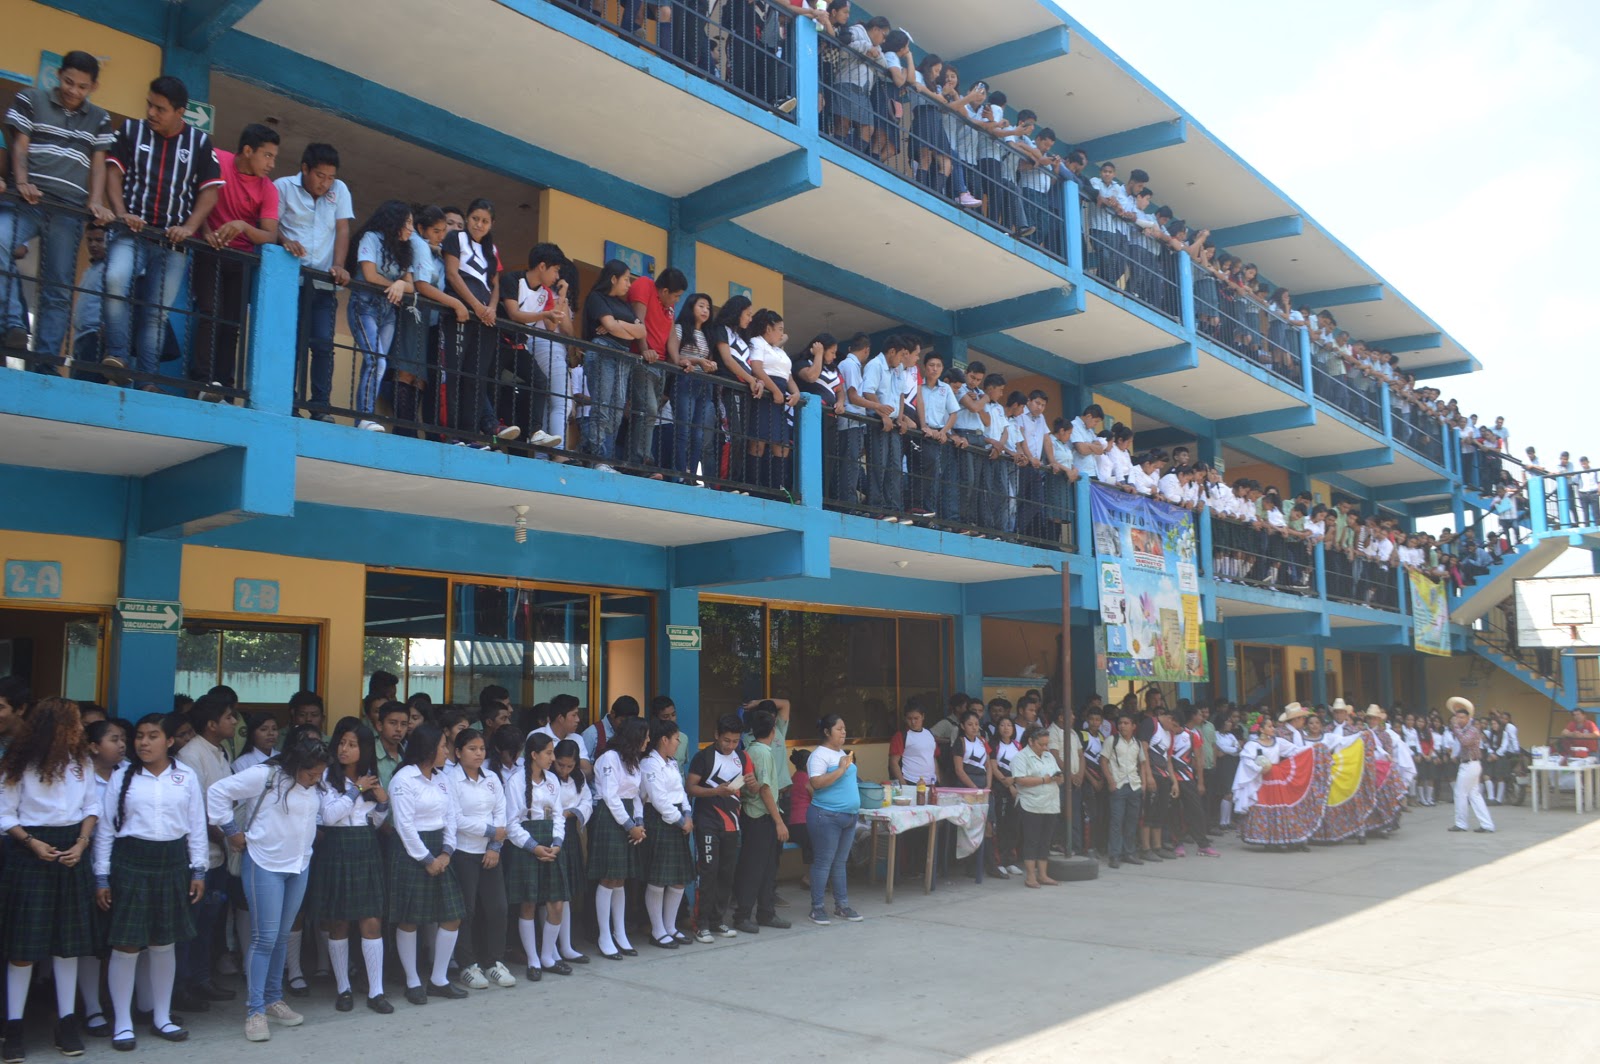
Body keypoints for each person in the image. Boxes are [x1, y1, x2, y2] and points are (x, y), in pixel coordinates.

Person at [92, 713, 208, 1050]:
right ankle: (123, 1022)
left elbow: (196, 826)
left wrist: (198, 870)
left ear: (169, 741)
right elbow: (106, 829)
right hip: (130, 863)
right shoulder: (122, 776)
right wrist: (102, 875)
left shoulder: (185, 776)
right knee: (126, 945)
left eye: (153, 736)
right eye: (140, 736)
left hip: (172, 863)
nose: (144, 742)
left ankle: (161, 1016)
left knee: (163, 943)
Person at [205, 736, 328, 1043]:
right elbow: (218, 791)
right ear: (296, 765)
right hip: (264, 864)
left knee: (282, 936)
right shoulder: (265, 775)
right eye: (311, 774)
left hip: (299, 865)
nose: (315, 779)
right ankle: (255, 1010)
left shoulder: (313, 781)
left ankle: (274, 999)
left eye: (319, 774)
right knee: (264, 939)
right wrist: (231, 832)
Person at [103, 76, 223, 380]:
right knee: (115, 280)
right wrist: (122, 214)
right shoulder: (131, 130)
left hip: (173, 244)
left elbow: (210, 193)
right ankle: (117, 357)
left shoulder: (199, 143)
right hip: (130, 233)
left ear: (180, 112)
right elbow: (113, 173)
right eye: (150, 105)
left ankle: (147, 378)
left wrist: (190, 227)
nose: (151, 113)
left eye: (160, 108)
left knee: (157, 312)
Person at [0, 698, 100, 1061]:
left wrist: (82, 843)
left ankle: (66, 1022)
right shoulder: (18, 762)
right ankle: (14, 1027)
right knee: (23, 947)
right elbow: (5, 813)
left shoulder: (81, 762)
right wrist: (31, 842)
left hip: (72, 848)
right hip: (30, 850)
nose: (80, 728)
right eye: (74, 722)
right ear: (57, 726)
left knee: (66, 944)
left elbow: (92, 807)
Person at [0, 51, 114, 363]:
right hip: (26, 200)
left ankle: (46, 363)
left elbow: (99, 164)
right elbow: (20, 145)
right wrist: (22, 181)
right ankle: (13, 323)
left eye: (82, 86)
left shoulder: (101, 118)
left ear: (94, 87)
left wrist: (95, 201)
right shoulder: (30, 99)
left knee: (58, 289)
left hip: (69, 209)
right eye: (68, 82)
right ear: (58, 75)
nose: (73, 90)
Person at [192, 123, 280, 400]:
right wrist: (206, 231)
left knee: (232, 324)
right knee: (208, 313)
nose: (272, 164)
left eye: (274, 157)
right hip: (208, 249)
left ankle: (224, 388)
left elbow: (270, 235)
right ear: (248, 150)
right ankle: (200, 383)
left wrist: (242, 226)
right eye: (267, 155)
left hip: (241, 259)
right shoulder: (217, 159)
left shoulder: (268, 189)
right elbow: (195, 196)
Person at [311, 718, 391, 1015]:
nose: (344, 749)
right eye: (342, 743)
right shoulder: (325, 777)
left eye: (352, 744)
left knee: (371, 920)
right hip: (336, 847)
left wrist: (383, 804)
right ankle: (343, 988)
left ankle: (376, 991)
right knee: (339, 921)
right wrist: (356, 789)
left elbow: (375, 822)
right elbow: (329, 816)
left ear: (364, 749)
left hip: (365, 847)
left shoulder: (370, 778)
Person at [386, 722, 468, 1005]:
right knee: (410, 918)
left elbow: (451, 817)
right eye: (443, 746)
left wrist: (446, 852)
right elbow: (404, 826)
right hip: (412, 852)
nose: (447, 751)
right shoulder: (403, 779)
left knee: (452, 915)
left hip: (440, 849)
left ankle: (439, 979)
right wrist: (427, 859)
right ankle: (412, 981)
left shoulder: (442, 778)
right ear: (428, 748)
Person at [275, 142, 352, 417]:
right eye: (320, 176)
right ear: (305, 168)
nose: (325, 183)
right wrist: (285, 241)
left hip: (322, 284)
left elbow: (343, 230)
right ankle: (288, 403)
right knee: (291, 343)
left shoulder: (340, 190)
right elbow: (270, 225)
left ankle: (320, 406)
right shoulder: (283, 187)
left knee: (323, 344)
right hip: (289, 282)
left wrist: (339, 265)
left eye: (330, 177)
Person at [173, 697, 239, 1012]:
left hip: (220, 854)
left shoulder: (220, 752)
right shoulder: (190, 755)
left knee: (208, 923)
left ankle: (201, 979)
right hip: (198, 857)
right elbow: (196, 810)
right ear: (212, 724)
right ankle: (181, 986)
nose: (235, 722)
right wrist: (229, 838)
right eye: (229, 716)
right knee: (190, 925)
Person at [444, 728, 513, 991]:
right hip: (463, 852)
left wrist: (495, 845)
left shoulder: (492, 777)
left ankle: (494, 961)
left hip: (491, 852)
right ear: (458, 752)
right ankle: (467, 965)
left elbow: (501, 811)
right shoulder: (450, 779)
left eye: (482, 748)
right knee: (467, 910)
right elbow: (456, 818)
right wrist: (490, 831)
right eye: (472, 749)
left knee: (498, 908)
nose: (478, 753)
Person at [443, 198, 515, 445]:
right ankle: (452, 434)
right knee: (454, 373)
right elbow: (452, 274)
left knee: (476, 377)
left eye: (485, 221)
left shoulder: (491, 250)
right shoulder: (456, 239)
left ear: (491, 224)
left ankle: (471, 434)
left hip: (485, 321)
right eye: (475, 219)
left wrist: (492, 308)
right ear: (467, 218)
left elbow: (495, 285)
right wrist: (475, 305)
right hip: (461, 314)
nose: (479, 224)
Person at [345, 200, 414, 431]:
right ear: (394, 222)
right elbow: (369, 274)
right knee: (377, 361)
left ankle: (364, 418)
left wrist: (401, 285)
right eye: (407, 223)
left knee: (376, 363)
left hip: (388, 313)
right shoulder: (371, 238)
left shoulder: (405, 249)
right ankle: (365, 417)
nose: (411, 229)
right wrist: (395, 285)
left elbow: (411, 285)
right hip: (364, 306)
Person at [503, 732, 566, 979]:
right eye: (548, 753)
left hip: (550, 842)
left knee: (556, 904)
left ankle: (548, 956)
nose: (552, 758)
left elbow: (558, 815)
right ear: (534, 754)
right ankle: (533, 960)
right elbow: (511, 824)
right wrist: (533, 847)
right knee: (528, 903)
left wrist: (557, 842)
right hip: (526, 845)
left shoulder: (552, 780)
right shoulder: (516, 781)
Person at [686, 713, 750, 940]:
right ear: (716, 735)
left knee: (726, 873)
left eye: (735, 741)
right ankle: (700, 923)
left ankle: (717, 920)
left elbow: (750, 787)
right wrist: (716, 791)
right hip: (707, 822)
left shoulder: (741, 757)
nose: (730, 745)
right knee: (708, 872)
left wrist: (751, 783)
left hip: (732, 823)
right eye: (726, 740)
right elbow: (690, 788)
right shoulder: (703, 757)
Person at [589, 717, 649, 960]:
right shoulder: (609, 758)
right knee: (608, 877)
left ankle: (620, 933)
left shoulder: (633, 761)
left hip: (628, 817)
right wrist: (629, 825)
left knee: (620, 878)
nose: (648, 741)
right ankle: (604, 936)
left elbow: (635, 795)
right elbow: (611, 796)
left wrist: (639, 822)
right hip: (610, 817)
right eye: (645, 736)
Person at [732, 707, 790, 935]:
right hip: (760, 817)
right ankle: (743, 915)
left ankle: (766, 912)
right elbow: (765, 789)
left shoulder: (751, 749)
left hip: (758, 816)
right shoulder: (763, 753)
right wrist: (779, 821)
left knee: (767, 868)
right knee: (754, 869)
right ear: (773, 730)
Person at [582, 259, 645, 469]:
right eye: (626, 279)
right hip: (603, 352)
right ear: (613, 279)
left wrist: (617, 324)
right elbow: (610, 326)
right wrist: (620, 328)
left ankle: (606, 459)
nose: (629, 284)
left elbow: (641, 332)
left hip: (623, 357)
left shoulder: (624, 305)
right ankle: (597, 458)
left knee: (616, 411)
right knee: (602, 407)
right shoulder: (597, 297)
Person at [625, 266, 688, 474]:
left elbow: (671, 335)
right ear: (665, 291)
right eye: (676, 296)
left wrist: (678, 360)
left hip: (659, 366)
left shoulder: (668, 306)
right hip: (641, 361)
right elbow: (638, 320)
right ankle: (640, 460)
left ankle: (641, 458)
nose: (677, 300)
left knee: (649, 413)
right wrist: (645, 350)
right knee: (648, 409)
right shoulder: (645, 285)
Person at [640, 720, 695, 948]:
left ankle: (670, 927)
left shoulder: (671, 763)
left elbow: (681, 792)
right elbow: (659, 799)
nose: (678, 743)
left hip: (678, 819)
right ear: (664, 740)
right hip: (660, 821)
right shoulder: (649, 764)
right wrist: (681, 821)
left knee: (678, 879)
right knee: (658, 878)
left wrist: (688, 814)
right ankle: (657, 930)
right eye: (676, 739)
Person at [805, 716, 861, 925]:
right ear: (827, 732)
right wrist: (840, 770)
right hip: (827, 816)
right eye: (839, 729)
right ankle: (817, 908)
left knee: (840, 862)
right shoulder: (819, 755)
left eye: (844, 728)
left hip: (848, 816)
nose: (843, 732)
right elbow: (816, 783)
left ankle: (842, 906)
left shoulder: (842, 753)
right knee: (823, 862)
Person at [667, 292, 720, 485]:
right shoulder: (680, 329)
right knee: (683, 429)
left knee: (698, 433)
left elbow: (708, 360)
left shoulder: (708, 334)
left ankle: (691, 474)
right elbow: (674, 358)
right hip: (685, 380)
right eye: (701, 306)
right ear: (691, 307)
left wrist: (710, 365)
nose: (705, 310)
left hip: (703, 383)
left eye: (708, 308)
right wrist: (698, 361)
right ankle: (681, 472)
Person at [549, 739, 592, 966]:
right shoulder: (547, 778)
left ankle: (565, 945)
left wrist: (571, 813)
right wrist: (560, 814)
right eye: (560, 765)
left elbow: (587, 801)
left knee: (566, 892)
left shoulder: (579, 778)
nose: (564, 770)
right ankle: (550, 947)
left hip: (571, 830)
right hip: (550, 833)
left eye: (569, 766)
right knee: (552, 893)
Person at [1010, 726, 1062, 887]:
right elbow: (1020, 780)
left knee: (1045, 840)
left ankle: (1043, 875)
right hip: (1030, 804)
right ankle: (1030, 876)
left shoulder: (1048, 756)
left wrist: (1058, 778)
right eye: (1041, 744)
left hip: (1050, 803)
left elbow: (1058, 775)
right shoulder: (1020, 757)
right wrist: (1044, 780)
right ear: (1031, 741)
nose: (1045, 748)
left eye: (1047, 744)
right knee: (1032, 840)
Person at [1102, 713, 1149, 868]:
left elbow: (1142, 763)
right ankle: (1115, 855)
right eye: (1120, 723)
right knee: (1116, 822)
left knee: (1131, 822)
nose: (1122, 726)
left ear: (1133, 726)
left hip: (1134, 786)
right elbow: (1103, 761)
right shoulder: (1112, 740)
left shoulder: (1137, 743)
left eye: (1126, 723)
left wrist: (1143, 783)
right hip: (1119, 786)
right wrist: (1110, 781)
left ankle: (1129, 853)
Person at [1445, 697, 1494, 834]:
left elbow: (1465, 742)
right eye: (1457, 717)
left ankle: (1461, 824)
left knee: (1460, 793)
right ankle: (1487, 825)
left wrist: (1455, 726)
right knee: (1474, 795)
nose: (1458, 720)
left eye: (1462, 718)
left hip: (1470, 765)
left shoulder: (1472, 730)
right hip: (1471, 764)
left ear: (1468, 718)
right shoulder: (1467, 730)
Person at [888, 703, 940, 786]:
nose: (913, 722)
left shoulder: (929, 734)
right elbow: (893, 762)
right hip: (910, 781)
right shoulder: (900, 736)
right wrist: (904, 785)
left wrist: (938, 779)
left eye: (916, 718)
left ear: (923, 716)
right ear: (905, 718)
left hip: (931, 782)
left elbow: (933, 757)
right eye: (909, 718)